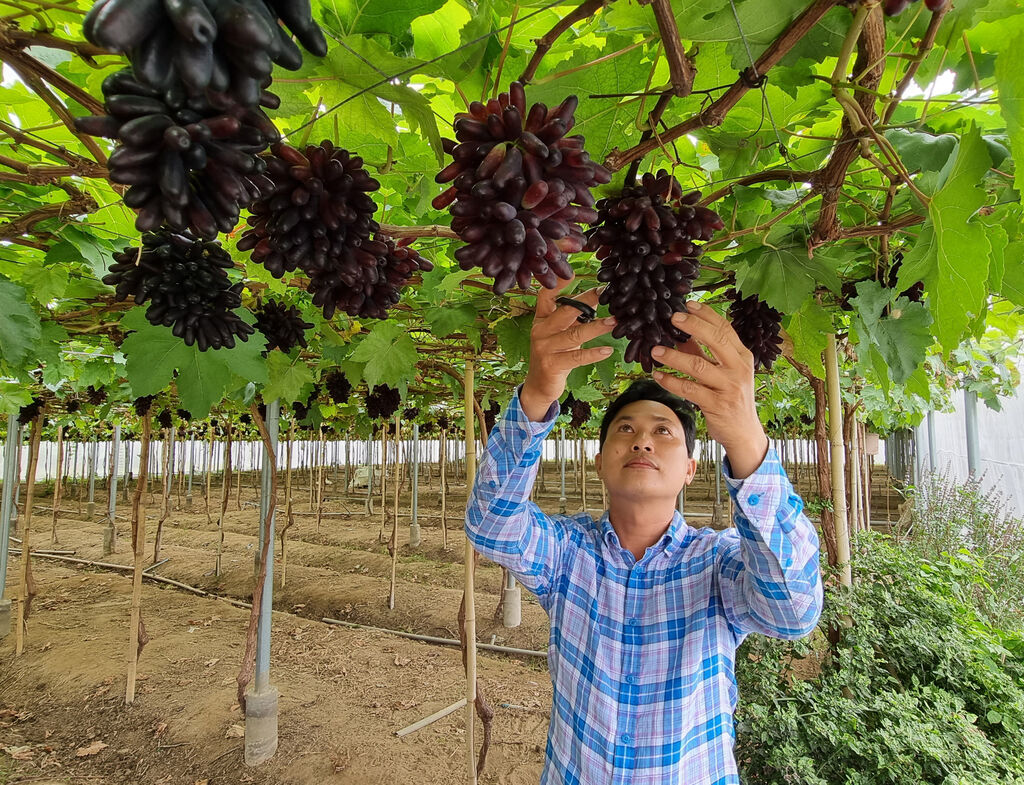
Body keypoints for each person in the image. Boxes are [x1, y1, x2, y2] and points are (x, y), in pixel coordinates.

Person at [465, 282, 823, 785]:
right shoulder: (568, 554)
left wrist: (746, 438)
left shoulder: (718, 563)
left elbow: (794, 610)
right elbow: (491, 525)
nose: (643, 442)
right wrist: (537, 396)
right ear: (599, 463)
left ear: (691, 470)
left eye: (663, 431)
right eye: (625, 429)